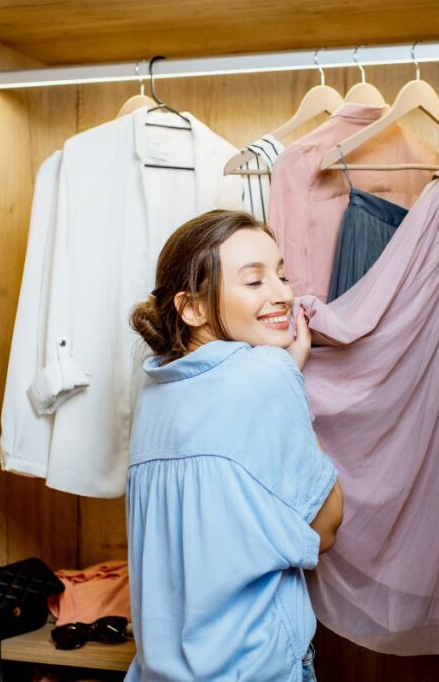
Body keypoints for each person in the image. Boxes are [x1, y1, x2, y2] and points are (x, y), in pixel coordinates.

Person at [125, 210, 343, 681]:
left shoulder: (155, 389)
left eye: (282, 275)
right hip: (253, 667)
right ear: (193, 308)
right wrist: (289, 377)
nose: (283, 293)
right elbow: (325, 529)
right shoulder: (265, 375)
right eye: (254, 281)